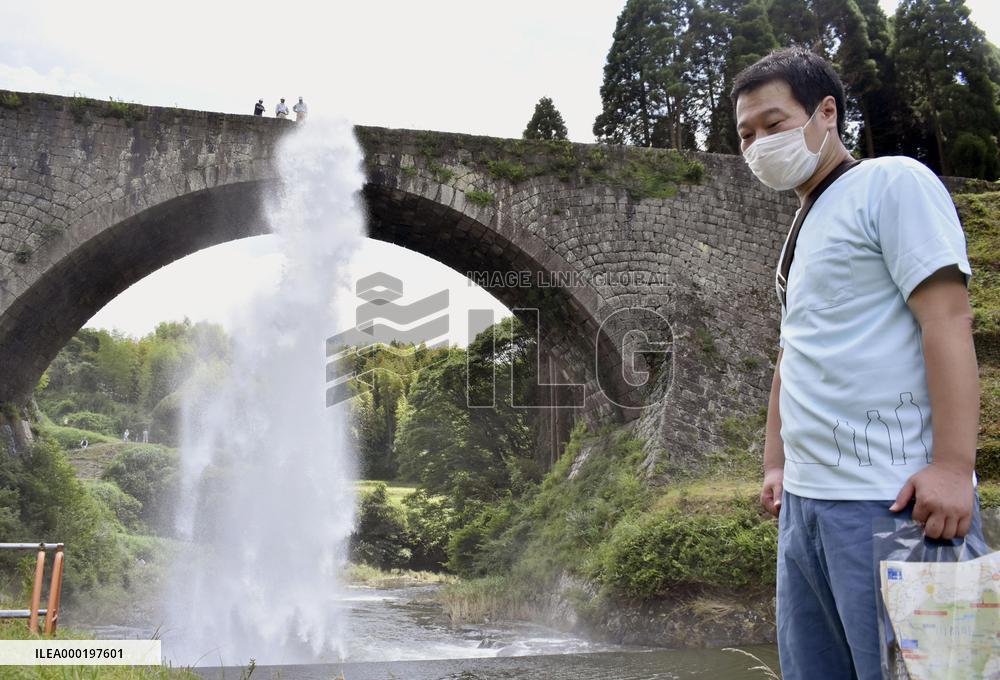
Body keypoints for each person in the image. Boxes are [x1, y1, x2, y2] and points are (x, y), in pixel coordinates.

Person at [732, 46, 984, 679]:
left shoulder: (893, 182)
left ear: (826, 113)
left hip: (893, 501)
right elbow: (794, 355)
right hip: (807, 511)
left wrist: (954, 467)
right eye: (745, 134)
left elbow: (948, 318)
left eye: (773, 124)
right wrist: (776, 463)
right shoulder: (800, 229)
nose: (758, 143)